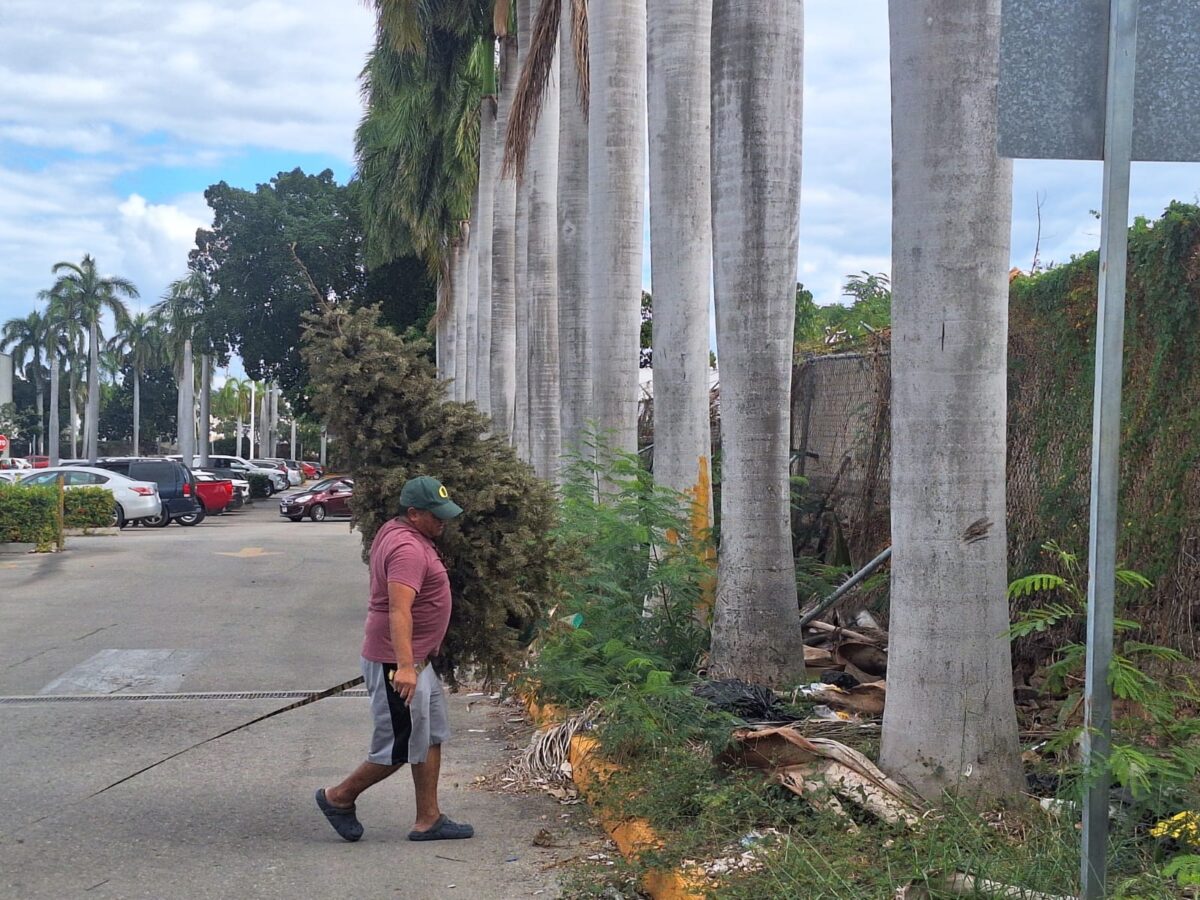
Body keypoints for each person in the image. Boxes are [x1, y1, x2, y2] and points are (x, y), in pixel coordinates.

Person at [315, 475, 474, 843]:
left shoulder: (399, 531)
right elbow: (399, 611)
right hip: (398, 663)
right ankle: (338, 798)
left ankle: (428, 818)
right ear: (414, 513)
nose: (442, 522)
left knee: (431, 735)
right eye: (436, 515)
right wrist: (403, 667)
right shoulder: (407, 549)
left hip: (415, 660)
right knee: (397, 746)